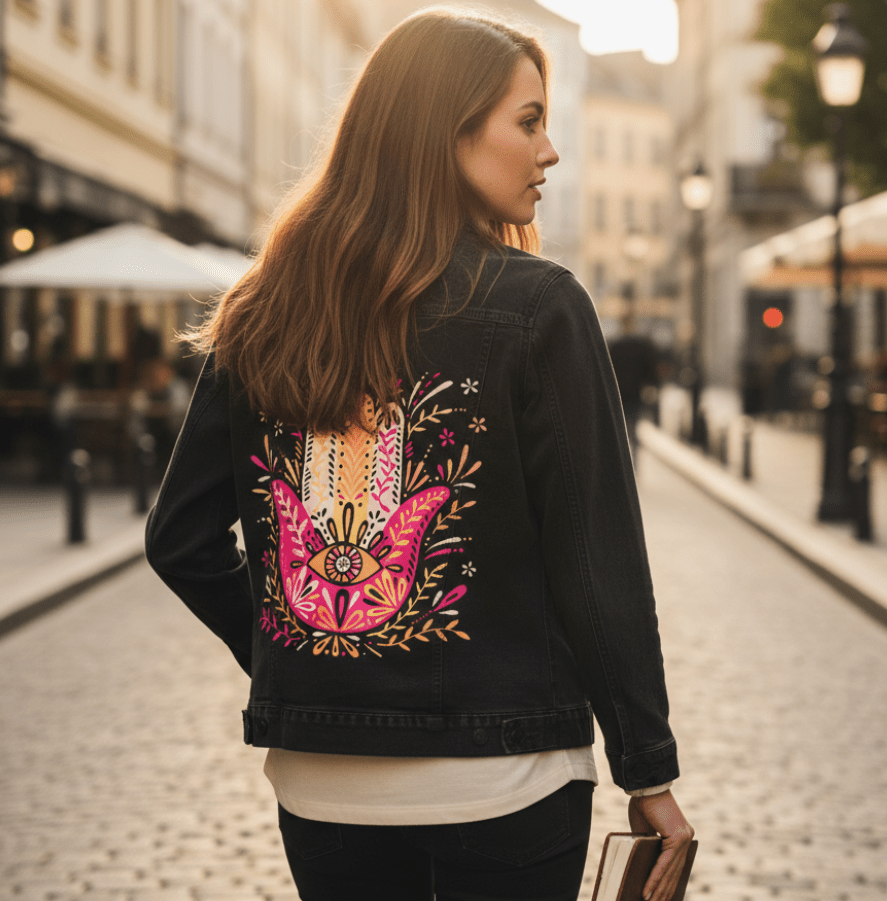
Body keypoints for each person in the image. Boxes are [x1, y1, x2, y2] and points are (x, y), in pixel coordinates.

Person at [145, 8, 693, 901]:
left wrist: (309, 654)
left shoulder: (264, 304)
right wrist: (649, 769)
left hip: (322, 784)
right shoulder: (539, 305)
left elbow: (179, 539)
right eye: (527, 120)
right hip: (505, 777)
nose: (549, 150)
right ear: (448, 131)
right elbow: (597, 565)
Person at [607, 314, 661, 462]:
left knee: (623, 428)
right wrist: (653, 387)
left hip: (620, 394)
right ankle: (633, 461)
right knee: (632, 426)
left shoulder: (615, 346)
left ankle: (626, 460)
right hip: (634, 393)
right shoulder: (641, 345)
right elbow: (651, 370)